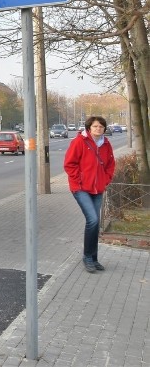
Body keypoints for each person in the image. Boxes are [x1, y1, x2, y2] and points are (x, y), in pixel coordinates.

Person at [63, 115, 116, 273]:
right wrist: (78, 181)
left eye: (101, 127)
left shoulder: (106, 144)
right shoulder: (80, 142)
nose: (98, 129)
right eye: (95, 126)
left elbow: (110, 164)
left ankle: (94, 258)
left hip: (98, 188)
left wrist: (105, 180)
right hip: (80, 188)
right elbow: (69, 164)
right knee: (92, 220)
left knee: (95, 223)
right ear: (89, 128)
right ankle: (87, 257)